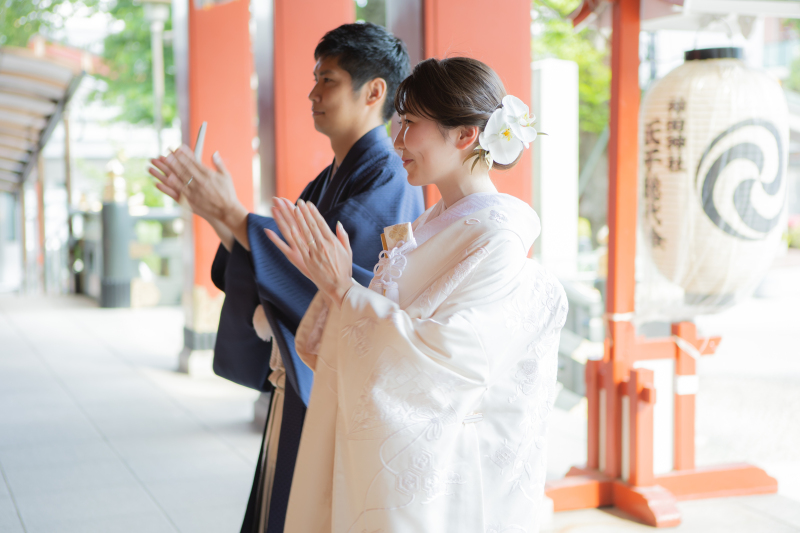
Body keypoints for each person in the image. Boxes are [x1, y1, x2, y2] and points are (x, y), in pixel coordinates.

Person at [268, 57, 568, 533]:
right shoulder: (434, 222)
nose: (397, 139)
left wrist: (345, 290)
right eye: (399, 122)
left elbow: (452, 357)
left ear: (465, 135)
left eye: (410, 123)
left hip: (452, 467)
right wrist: (336, 290)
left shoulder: (498, 238)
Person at [149, 23, 423, 533]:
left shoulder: (389, 177)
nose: (313, 94)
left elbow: (334, 283)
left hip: (341, 392)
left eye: (328, 80)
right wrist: (216, 213)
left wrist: (230, 213)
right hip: (305, 386)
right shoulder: (331, 178)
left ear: (374, 92)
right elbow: (283, 262)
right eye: (315, 79)